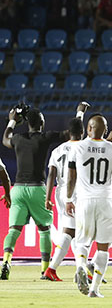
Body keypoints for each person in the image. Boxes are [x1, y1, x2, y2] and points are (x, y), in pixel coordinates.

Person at [1, 102, 89, 281]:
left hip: (18, 188)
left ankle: (6, 262)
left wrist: (12, 121)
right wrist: (79, 114)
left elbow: (5, 139)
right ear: (41, 123)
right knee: (44, 230)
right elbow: (71, 134)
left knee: (14, 230)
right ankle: (45, 269)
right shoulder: (45, 137)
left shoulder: (18, 139)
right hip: (37, 189)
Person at [66, 114, 112, 298]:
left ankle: (80, 265)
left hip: (85, 201)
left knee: (82, 242)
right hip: (105, 201)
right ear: (105, 130)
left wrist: (69, 199)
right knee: (103, 247)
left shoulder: (78, 147)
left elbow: (71, 177)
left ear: (88, 128)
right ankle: (94, 289)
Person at [42, 117, 112, 281]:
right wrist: (109, 138)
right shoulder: (83, 147)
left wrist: (48, 198)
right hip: (77, 190)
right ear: (83, 132)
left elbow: (51, 175)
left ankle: (78, 269)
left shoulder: (57, 150)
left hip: (60, 192)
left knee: (72, 231)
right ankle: (69, 269)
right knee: (79, 231)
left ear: (68, 132)